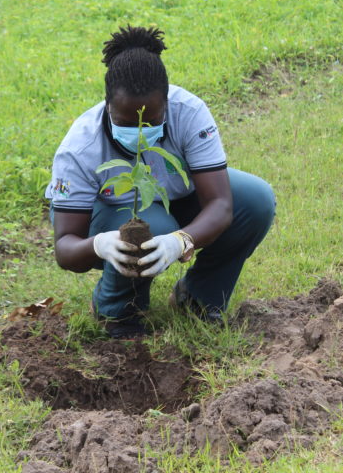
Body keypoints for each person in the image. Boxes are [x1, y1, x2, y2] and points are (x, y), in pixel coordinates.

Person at [45, 26, 276, 338]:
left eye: (151, 122)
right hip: (105, 216)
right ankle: (118, 312)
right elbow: (65, 248)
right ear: (107, 104)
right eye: (127, 123)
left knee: (255, 200)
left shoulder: (189, 112)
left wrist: (181, 241)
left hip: (177, 197)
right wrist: (99, 245)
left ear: (167, 103)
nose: (140, 131)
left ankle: (197, 299)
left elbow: (220, 204)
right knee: (150, 223)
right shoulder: (80, 148)